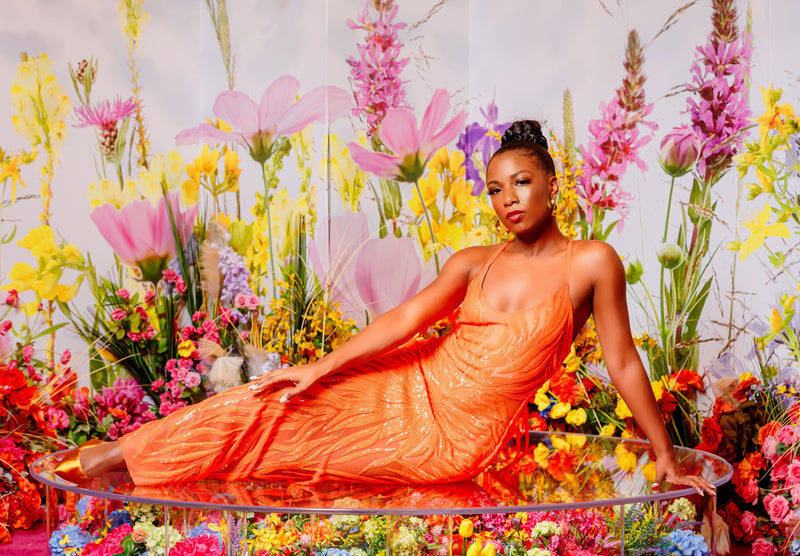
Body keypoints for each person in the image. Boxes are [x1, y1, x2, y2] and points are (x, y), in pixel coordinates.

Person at [57, 120, 714, 496]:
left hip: (451, 437)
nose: (508, 199)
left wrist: (663, 452)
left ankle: (122, 468)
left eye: (521, 182)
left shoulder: (593, 261)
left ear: (551, 181)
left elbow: (625, 362)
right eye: (494, 189)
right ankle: (116, 460)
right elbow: (403, 321)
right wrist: (320, 367)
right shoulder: (473, 260)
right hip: (410, 379)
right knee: (269, 400)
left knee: (296, 452)